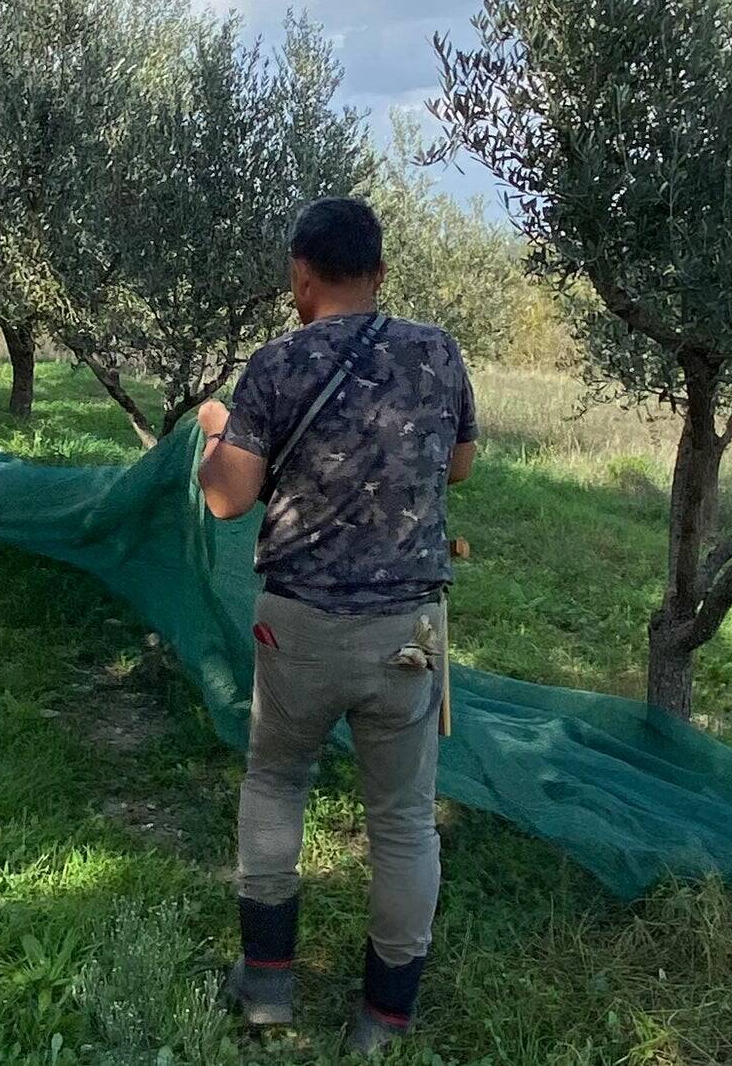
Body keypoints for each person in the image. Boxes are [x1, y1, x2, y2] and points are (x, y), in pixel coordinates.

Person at [196, 196, 476, 1055]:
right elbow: (459, 465)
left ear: (301, 276)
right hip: (408, 635)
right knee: (401, 818)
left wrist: (218, 431)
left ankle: (268, 991)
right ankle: (383, 1022)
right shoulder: (438, 352)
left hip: (302, 628)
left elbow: (225, 495)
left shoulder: (274, 366)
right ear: (381, 273)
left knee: (276, 782)